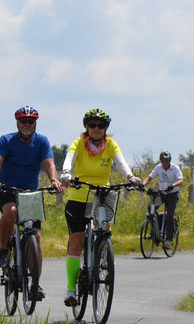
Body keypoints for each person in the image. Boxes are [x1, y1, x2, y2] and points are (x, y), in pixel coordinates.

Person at [58, 109, 141, 307]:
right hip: (79, 194)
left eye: (100, 126)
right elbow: (69, 158)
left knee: (104, 230)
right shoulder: (79, 143)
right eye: (92, 125)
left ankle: (102, 255)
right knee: (76, 242)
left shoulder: (110, 145)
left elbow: (120, 163)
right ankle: (71, 289)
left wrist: (130, 177)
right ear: (86, 127)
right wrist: (67, 173)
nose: (96, 129)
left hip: (102, 193)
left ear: (106, 128)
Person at [0, 106, 63, 300]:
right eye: (23, 121)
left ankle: (35, 284)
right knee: (11, 211)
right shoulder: (6, 140)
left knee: (35, 236)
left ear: (35, 123)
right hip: (7, 190)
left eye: (31, 121)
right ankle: (4, 250)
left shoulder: (42, 141)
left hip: (30, 192)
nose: (27, 124)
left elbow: (49, 163)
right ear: (17, 123)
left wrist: (54, 180)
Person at [145, 151, 184, 241]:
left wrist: (173, 185)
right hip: (161, 194)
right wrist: (143, 185)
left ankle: (169, 240)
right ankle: (156, 230)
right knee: (151, 209)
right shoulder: (158, 168)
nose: (164, 163)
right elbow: (149, 178)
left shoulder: (175, 168)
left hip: (172, 195)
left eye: (166, 161)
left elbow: (180, 180)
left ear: (169, 161)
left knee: (170, 215)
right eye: (163, 161)